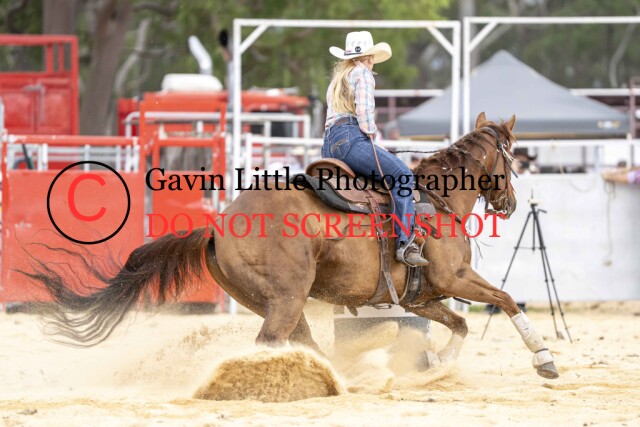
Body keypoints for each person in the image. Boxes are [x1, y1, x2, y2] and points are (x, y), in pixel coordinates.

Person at [322, 31, 429, 267]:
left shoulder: (338, 78)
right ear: (370, 57)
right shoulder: (363, 73)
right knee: (402, 176)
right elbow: (365, 114)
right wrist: (371, 136)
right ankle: (406, 242)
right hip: (351, 138)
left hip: (329, 145)